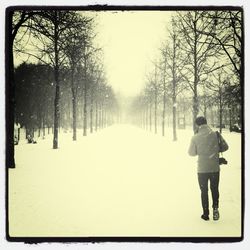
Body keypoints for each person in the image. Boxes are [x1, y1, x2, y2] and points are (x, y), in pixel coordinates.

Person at [188, 116, 228, 221]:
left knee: (204, 191)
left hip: (202, 169)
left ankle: (205, 214)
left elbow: (191, 153)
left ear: (197, 125)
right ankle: (215, 209)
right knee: (214, 189)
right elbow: (225, 147)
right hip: (214, 168)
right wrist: (214, 150)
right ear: (206, 122)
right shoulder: (215, 134)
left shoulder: (195, 137)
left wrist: (201, 149)